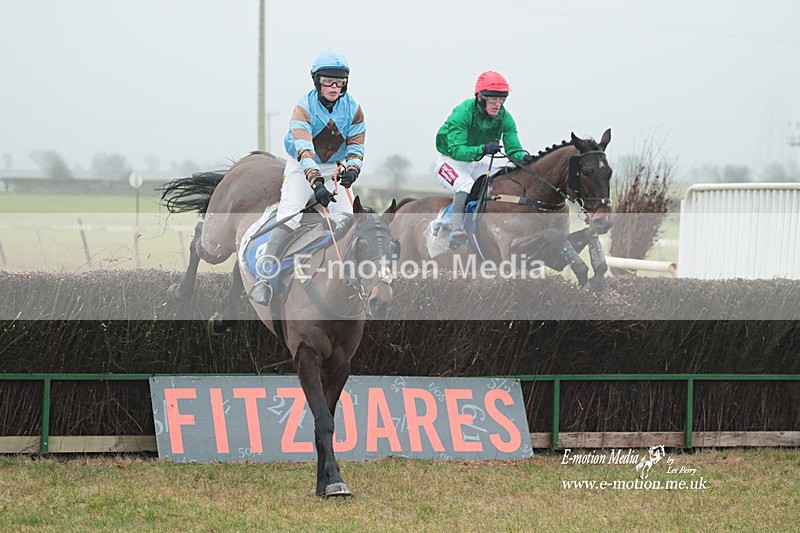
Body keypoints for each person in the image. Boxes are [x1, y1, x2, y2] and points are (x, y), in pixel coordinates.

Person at [249, 49, 366, 305]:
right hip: (302, 164)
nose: (334, 87)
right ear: (317, 81)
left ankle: (352, 282)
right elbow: (305, 149)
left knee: (348, 220)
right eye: (328, 81)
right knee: (290, 214)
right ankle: (265, 278)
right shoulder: (304, 107)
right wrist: (315, 182)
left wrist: (354, 169)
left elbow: (356, 144)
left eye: (340, 81)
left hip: (334, 165)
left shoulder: (354, 108)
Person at [434, 70, 530, 249]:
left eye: (501, 99)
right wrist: (483, 149)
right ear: (480, 97)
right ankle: (456, 229)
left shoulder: (505, 118)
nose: (497, 104)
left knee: (501, 180)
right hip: (450, 161)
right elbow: (456, 150)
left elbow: (513, 150)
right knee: (466, 185)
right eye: (492, 99)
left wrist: (525, 159)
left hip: (475, 163)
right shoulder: (462, 112)